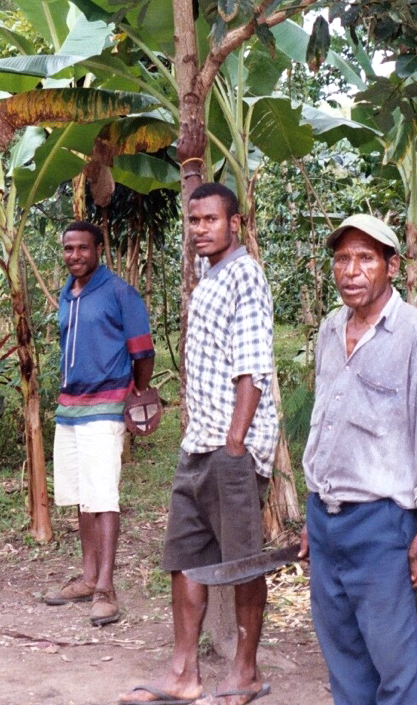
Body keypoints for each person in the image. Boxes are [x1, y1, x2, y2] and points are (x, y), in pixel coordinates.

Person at [122, 182, 277, 705]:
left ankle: (246, 673)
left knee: (242, 562)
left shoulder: (245, 275)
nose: (200, 230)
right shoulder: (211, 277)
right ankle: (184, 673)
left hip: (231, 449)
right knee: (185, 559)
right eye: (194, 221)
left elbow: (251, 368)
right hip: (198, 445)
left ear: (235, 223)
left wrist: (236, 443)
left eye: (211, 220)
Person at [298, 214, 417, 705]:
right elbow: (327, 422)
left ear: (391, 266)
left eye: (365, 258)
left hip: (382, 524)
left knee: (397, 664)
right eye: (342, 259)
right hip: (326, 522)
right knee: (343, 656)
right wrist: (314, 511)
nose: (351, 270)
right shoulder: (329, 329)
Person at [43, 220, 154, 627]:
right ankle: (89, 579)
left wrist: (136, 395)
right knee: (80, 496)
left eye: (83, 249)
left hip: (106, 405)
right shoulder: (66, 295)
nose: (75, 256)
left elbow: (143, 352)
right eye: (69, 248)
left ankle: (107, 589)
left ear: (98, 250)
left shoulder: (120, 293)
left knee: (103, 497)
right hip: (69, 407)